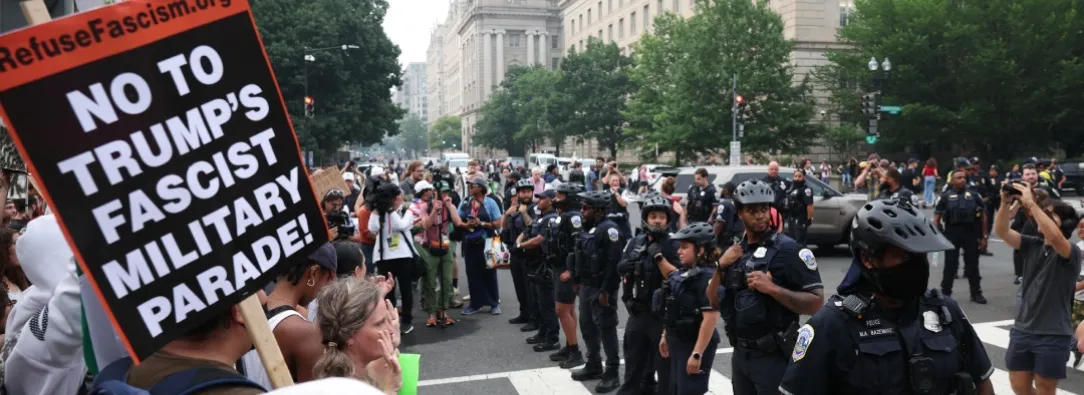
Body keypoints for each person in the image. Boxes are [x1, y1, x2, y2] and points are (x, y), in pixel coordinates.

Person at [778, 198, 995, 395]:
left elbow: (983, 383)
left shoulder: (945, 312)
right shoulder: (833, 325)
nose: (916, 265)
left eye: (921, 255)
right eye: (903, 255)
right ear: (867, 258)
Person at [706, 179, 824, 394]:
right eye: (752, 210)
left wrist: (772, 289)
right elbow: (711, 301)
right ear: (740, 213)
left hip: (774, 357)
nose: (760, 215)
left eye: (764, 209)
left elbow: (816, 304)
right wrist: (720, 266)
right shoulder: (735, 252)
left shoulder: (789, 251)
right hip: (741, 355)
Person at [994, 184, 1081, 395]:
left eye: (1051, 214)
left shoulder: (1071, 252)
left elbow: (1056, 238)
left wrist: (1032, 203)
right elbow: (1002, 231)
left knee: (1045, 389)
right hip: (1023, 330)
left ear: (1064, 224)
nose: (1043, 216)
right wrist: (1005, 202)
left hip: (1052, 334)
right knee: (1019, 387)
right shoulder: (1032, 244)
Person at [238, 242, 337, 386]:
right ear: (313, 273)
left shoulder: (242, 317)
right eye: (329, 278)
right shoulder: (306, 333)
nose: (326, 288)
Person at [616, 194, 679, 395]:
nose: (657, 220)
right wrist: (627, 298)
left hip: (663, 316)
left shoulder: (675, 245)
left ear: (668, 219)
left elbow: (679, 279)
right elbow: (622, 269)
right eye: (653, 216)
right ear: (646, 218)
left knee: (665, 366)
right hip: (638, 311)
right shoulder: (635, 242)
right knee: (633, 360)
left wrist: (657, 255)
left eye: (661, 216)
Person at [568, 190, 625, 392]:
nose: (582, 212)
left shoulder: (609, 230)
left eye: (585, 208)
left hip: (602, 288)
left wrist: (605, 291)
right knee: (587, 326)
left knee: (606, 328)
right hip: (586, 285)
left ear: (598, 210)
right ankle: (593, 364)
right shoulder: (589, 228)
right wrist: (576, 280)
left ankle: (612, 372)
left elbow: (614, 263)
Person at [655, 223, 720, 395]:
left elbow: (710, 318)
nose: (679, 251)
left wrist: (697, 354)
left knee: (690, 390)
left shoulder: (707, 277)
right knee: (675, 388)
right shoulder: (686, 273)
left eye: (684, 247)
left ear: (700, 250)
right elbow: (673, 307)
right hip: (677, 340)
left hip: (693, 342)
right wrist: (665, 335)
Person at [313, 277, 403, 394]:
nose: (391, 330)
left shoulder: (359, 372)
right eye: (380, 323)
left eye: (389, 319)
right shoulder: (343, 388)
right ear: (349, 334)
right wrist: (391, 389)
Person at [410, 180, 463, 328]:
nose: (443, 195)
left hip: (445, 247)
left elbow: (458, 222)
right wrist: (434, 210)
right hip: (429, 247)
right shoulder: (425, 207)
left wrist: (449, 206)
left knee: (447, 281)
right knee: (430, 282)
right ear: (432, 193)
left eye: (446, 192)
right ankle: (431, 313)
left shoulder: (449, 205)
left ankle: (443, 311)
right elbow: (426, 225)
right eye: (440, 193)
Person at [368, 183, 418, 333]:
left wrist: (404, 211)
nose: (397, 201)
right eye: (395, 198)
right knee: (388, 291)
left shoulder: (403, 211)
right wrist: (380, 211)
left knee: (405, 289)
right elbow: (372, 228)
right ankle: (389, 318)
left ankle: (406, 320)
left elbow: (401, 225)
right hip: (384, 256)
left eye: (399, 198)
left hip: (403, 255)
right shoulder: (381, 212)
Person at [546, 183, 586, 367]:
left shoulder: (574, 218)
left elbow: (578, 246)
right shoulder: (564, 216)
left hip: (566, 269)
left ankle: (575, 350)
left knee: (562, 310)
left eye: (560, 196)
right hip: (559, 266)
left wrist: (571, 271)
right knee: (568, 309)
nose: (556, 199)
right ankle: (570, 346)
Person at [516, 187, 562, 352]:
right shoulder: (540, 217)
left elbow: (538, 239)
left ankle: (552, 338)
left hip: (545, 265)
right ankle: (543, 332)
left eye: (542, 198)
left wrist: (521, 245)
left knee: (547, 304)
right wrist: (519, 241)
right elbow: (528, 230)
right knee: (539, 302)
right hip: (534, 264)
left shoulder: (552, 218)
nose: (538, 200)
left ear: (550, 201)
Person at [934, 169, 988, 304]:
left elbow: (983, 216)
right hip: (952, 233)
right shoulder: (945, 196)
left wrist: (984, 236)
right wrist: (936, 233)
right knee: (950, 265)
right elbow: (937, 216)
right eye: (958, 178)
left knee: (972, 265)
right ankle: (946, 293)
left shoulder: (974, 195)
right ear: (952, 180)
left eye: (964, 177)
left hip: (970, 232)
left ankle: (976, 293)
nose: (962, 180)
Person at [457, 176, 504, 315]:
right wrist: (467, 224)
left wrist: (481, 223)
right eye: (470, 185)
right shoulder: (465, 202)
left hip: (488, 241)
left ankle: (494, 303)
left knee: (490, 272)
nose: (470, 188)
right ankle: (475, 304)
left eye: (473, 185)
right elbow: (458, 219)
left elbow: (498, 223)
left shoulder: (490, 203)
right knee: (472, 273)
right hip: (470, 242)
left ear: (482, 188)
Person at [503, 179, 539, 330]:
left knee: (530, 287)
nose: (526, 194)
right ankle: (523, 313)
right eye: (523, 192)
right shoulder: (514, 209)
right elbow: (504, 229)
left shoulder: (534, 208)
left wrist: (524, 213)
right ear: (517, 194)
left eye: (528, 191)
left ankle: (534, 318)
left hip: (529, 254)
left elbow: (533, 227)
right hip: (515, 252)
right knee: (519, 285)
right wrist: (506, 215)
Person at [784, 169, 814, 246]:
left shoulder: (806, 189)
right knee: (792, 241)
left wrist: (809, 219)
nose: (797, 178)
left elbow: (810, 205)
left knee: (800, 242)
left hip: (800, 218)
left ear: (804, 177)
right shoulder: (792, 187)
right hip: (792, 218)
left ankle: (802, 257)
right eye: (795, 176)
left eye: (799, 176)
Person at [713, 182, 744, 250]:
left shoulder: (724, 204)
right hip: (739, 238)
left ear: (726, 191)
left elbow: (719, 223)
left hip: (726, 241)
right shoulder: (739, 203)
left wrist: (711, 240)